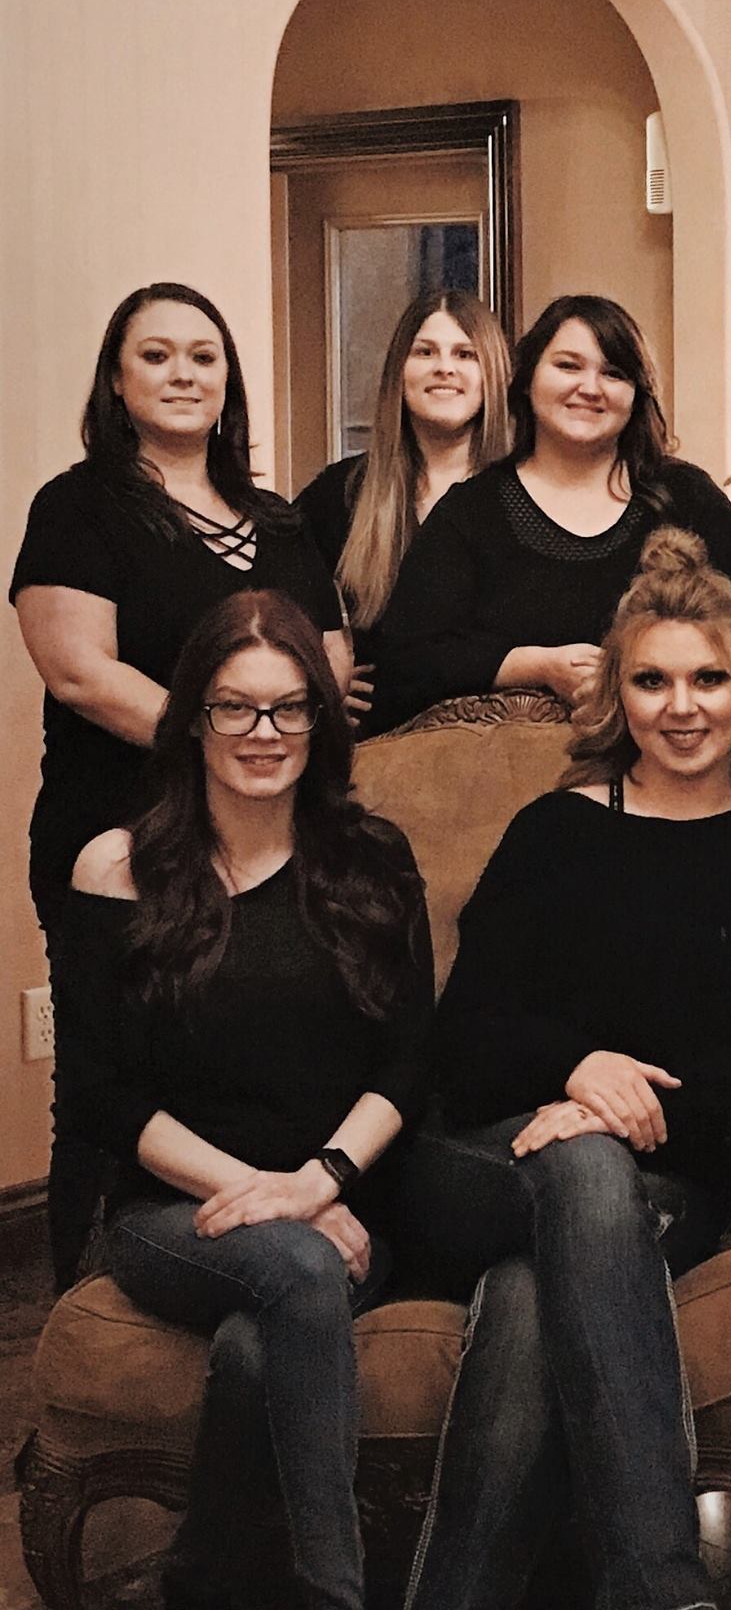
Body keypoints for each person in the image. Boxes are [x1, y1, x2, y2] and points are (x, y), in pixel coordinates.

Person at [400, 528, 731, 1610]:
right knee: (585, 1172)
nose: (681, 706)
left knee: (529, 1294)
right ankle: (660, 1584)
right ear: (618, 692)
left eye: (708, 679)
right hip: (482, 1163)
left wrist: (623, 1111)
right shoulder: (555, 832)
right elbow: (465, 1033)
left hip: (674, 1183)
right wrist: (577, 1066)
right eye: (652, 680)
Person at [56, 590, 432, 1610]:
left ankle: (202, 1576)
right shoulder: (117, 867)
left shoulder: (374, 857)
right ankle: (335, 1591)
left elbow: (408, 1060)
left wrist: (321, 1180)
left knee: (256, 1345)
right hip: (175, 1210)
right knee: (300, 1266)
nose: (264, 732)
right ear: (193, 717)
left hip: (344, 1198)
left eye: (289, 706)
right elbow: (102, 1093)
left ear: (320, 717)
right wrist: (270, 1197)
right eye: (235, 706)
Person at [11, 281, 348, 1285]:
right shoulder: (78, 506)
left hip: (270, 839)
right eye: (155, 355)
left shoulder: (279, 521)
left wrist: (268, 750)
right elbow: (80, 670)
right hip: (121, 833)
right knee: (112, 1085)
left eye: (204, 356)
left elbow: (328, 664)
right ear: (116, 381)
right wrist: (230, 738)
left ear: (229, 380)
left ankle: (264, 1258)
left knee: (249, 1062)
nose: (183, 374)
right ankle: (90, 1312)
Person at [372, 293, 731, 733]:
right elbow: (404, 660)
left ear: (636, 394)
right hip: (503, 770)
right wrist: (533, 665)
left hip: (674, 758)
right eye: (568, 366)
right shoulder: (471, 513)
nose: (590, 387)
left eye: (614, 373)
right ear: (528, 379)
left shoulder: (685, 497)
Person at [297, 289, 511, 713]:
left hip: (507, 734)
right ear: (399, 371)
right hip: (380, 736)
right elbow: (273, 601)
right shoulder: (341, 493)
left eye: (466, 354)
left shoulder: (526, 492)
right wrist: (315, 679)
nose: (444, 368)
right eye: (425, 352)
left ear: (494, 375)